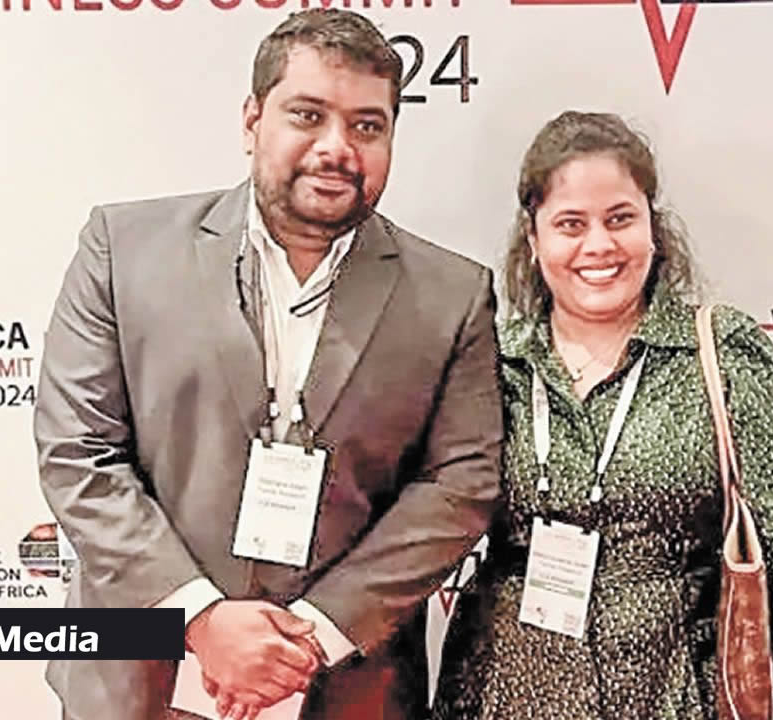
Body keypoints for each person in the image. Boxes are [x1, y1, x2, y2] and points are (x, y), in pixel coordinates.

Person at [33, 9, 504, 720]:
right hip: (140, 676)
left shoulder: (452, 295)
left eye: (367, 126)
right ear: (253, 120)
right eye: (307, 116)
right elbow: (78, 453)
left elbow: (460, 483)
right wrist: (199, 617)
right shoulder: (123, 251)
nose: (336, 147)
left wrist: (311, 636)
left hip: (347, 688)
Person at [431, 111, 773, 720]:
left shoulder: (722, 354)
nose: (599, 246)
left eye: (620, 218)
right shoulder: (491, 362)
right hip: (501, 694)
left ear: (652, 224)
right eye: (571, 224)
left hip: (676, 693)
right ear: (534, 236)